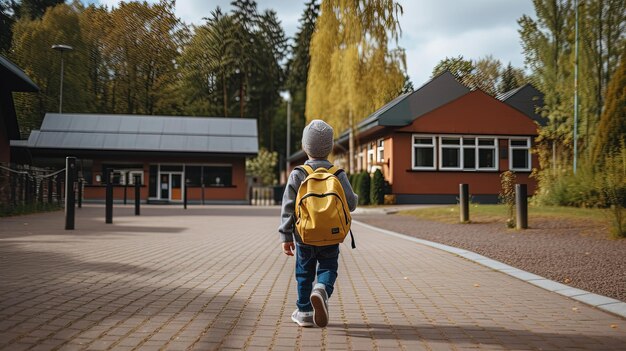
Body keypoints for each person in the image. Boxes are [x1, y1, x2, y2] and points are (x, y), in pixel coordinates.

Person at [278, 119, 358, 328]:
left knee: (304, 272)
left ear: (305, 146)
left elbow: (288, 207)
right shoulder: (338, 174)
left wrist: (286, 237)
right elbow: (351, 204)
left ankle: (304, 311)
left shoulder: (298, 173)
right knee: (328, 267)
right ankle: (321, 288)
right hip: (331, 235)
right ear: (330, 148)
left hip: (304, 236)